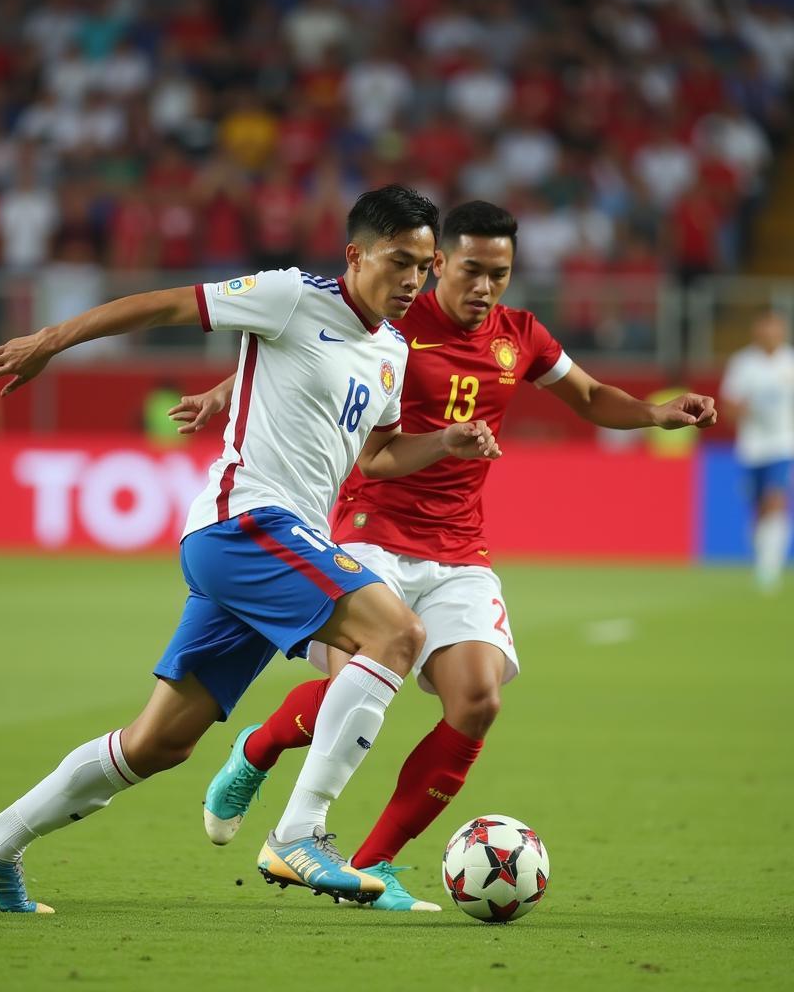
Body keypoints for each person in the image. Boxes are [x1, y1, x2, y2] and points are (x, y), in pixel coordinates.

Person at [0, 185, 502, 914]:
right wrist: (51, 341)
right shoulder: (290, 297)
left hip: (278, 543)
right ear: (355, 254)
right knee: (397, 632)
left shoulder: (393, 350)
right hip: (245, 521)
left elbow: (377, 457)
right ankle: (301, 833)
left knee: (158, 744)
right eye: (399, 261)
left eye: (424, 267)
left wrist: (446, 442)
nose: (412, 281)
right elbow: (163, 304)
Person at [182, 201, 717, 911]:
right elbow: (308, 352)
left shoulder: (520, 336)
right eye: (471, 271)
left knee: (478, 700)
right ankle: (257, 751)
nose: (485, 288)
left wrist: (657, 411)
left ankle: (372, 867)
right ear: (440, 264)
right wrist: (227, 391)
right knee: (371, 678)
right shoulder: (393, 321)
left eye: (499, 274)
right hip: (371, 531)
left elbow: (588, 395)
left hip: (461, 547)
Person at [720, 310, 794, 593]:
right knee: (758, 507)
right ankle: (761, 555)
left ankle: (769, 567)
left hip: (783, 444)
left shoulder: (790, 362)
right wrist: (744, 409)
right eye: (765, 329)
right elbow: (729, 407)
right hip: (751, 446)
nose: (769, 334)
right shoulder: (743, 363)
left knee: (776, 499)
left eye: (775, 330)